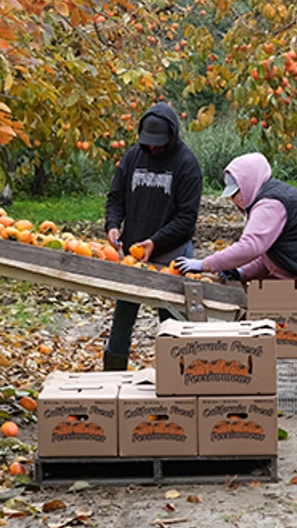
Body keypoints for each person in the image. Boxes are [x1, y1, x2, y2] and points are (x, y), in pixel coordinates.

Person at [172, 153, 297, 413]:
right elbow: (269, 256)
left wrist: (206, 263)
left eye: (237, 193)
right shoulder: (265, 201)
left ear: (249, 184)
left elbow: (253, 246)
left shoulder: (269, 203)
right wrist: (240, 273)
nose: (235, 199)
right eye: (232, 194)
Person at [102, 103, 202, 371]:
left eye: (159, 144)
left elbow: (186, 219)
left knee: (171, 325)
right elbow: (116, 198)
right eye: (149, 143)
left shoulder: (187, 164)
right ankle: (113, 381)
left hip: (172, 253)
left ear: (172, 136)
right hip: (133, 255)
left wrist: (156, 242)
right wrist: (112, 225)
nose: (154, 148)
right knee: (123, 319)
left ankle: (175, 381)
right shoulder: (133, 157)